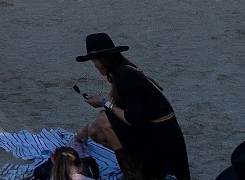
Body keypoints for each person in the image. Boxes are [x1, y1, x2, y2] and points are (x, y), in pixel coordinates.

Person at [72, 33, 190, 180]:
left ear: (103, 59)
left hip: (163, 141)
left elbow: (132, 119)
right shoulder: (124, 71)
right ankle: (137, 166)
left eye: (94, 60)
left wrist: (103, 103)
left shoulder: (124, 76)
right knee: (95, 130)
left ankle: (131, 173)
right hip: (159, 133)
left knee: (103, 118)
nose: (95, 65)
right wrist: (82, 134)